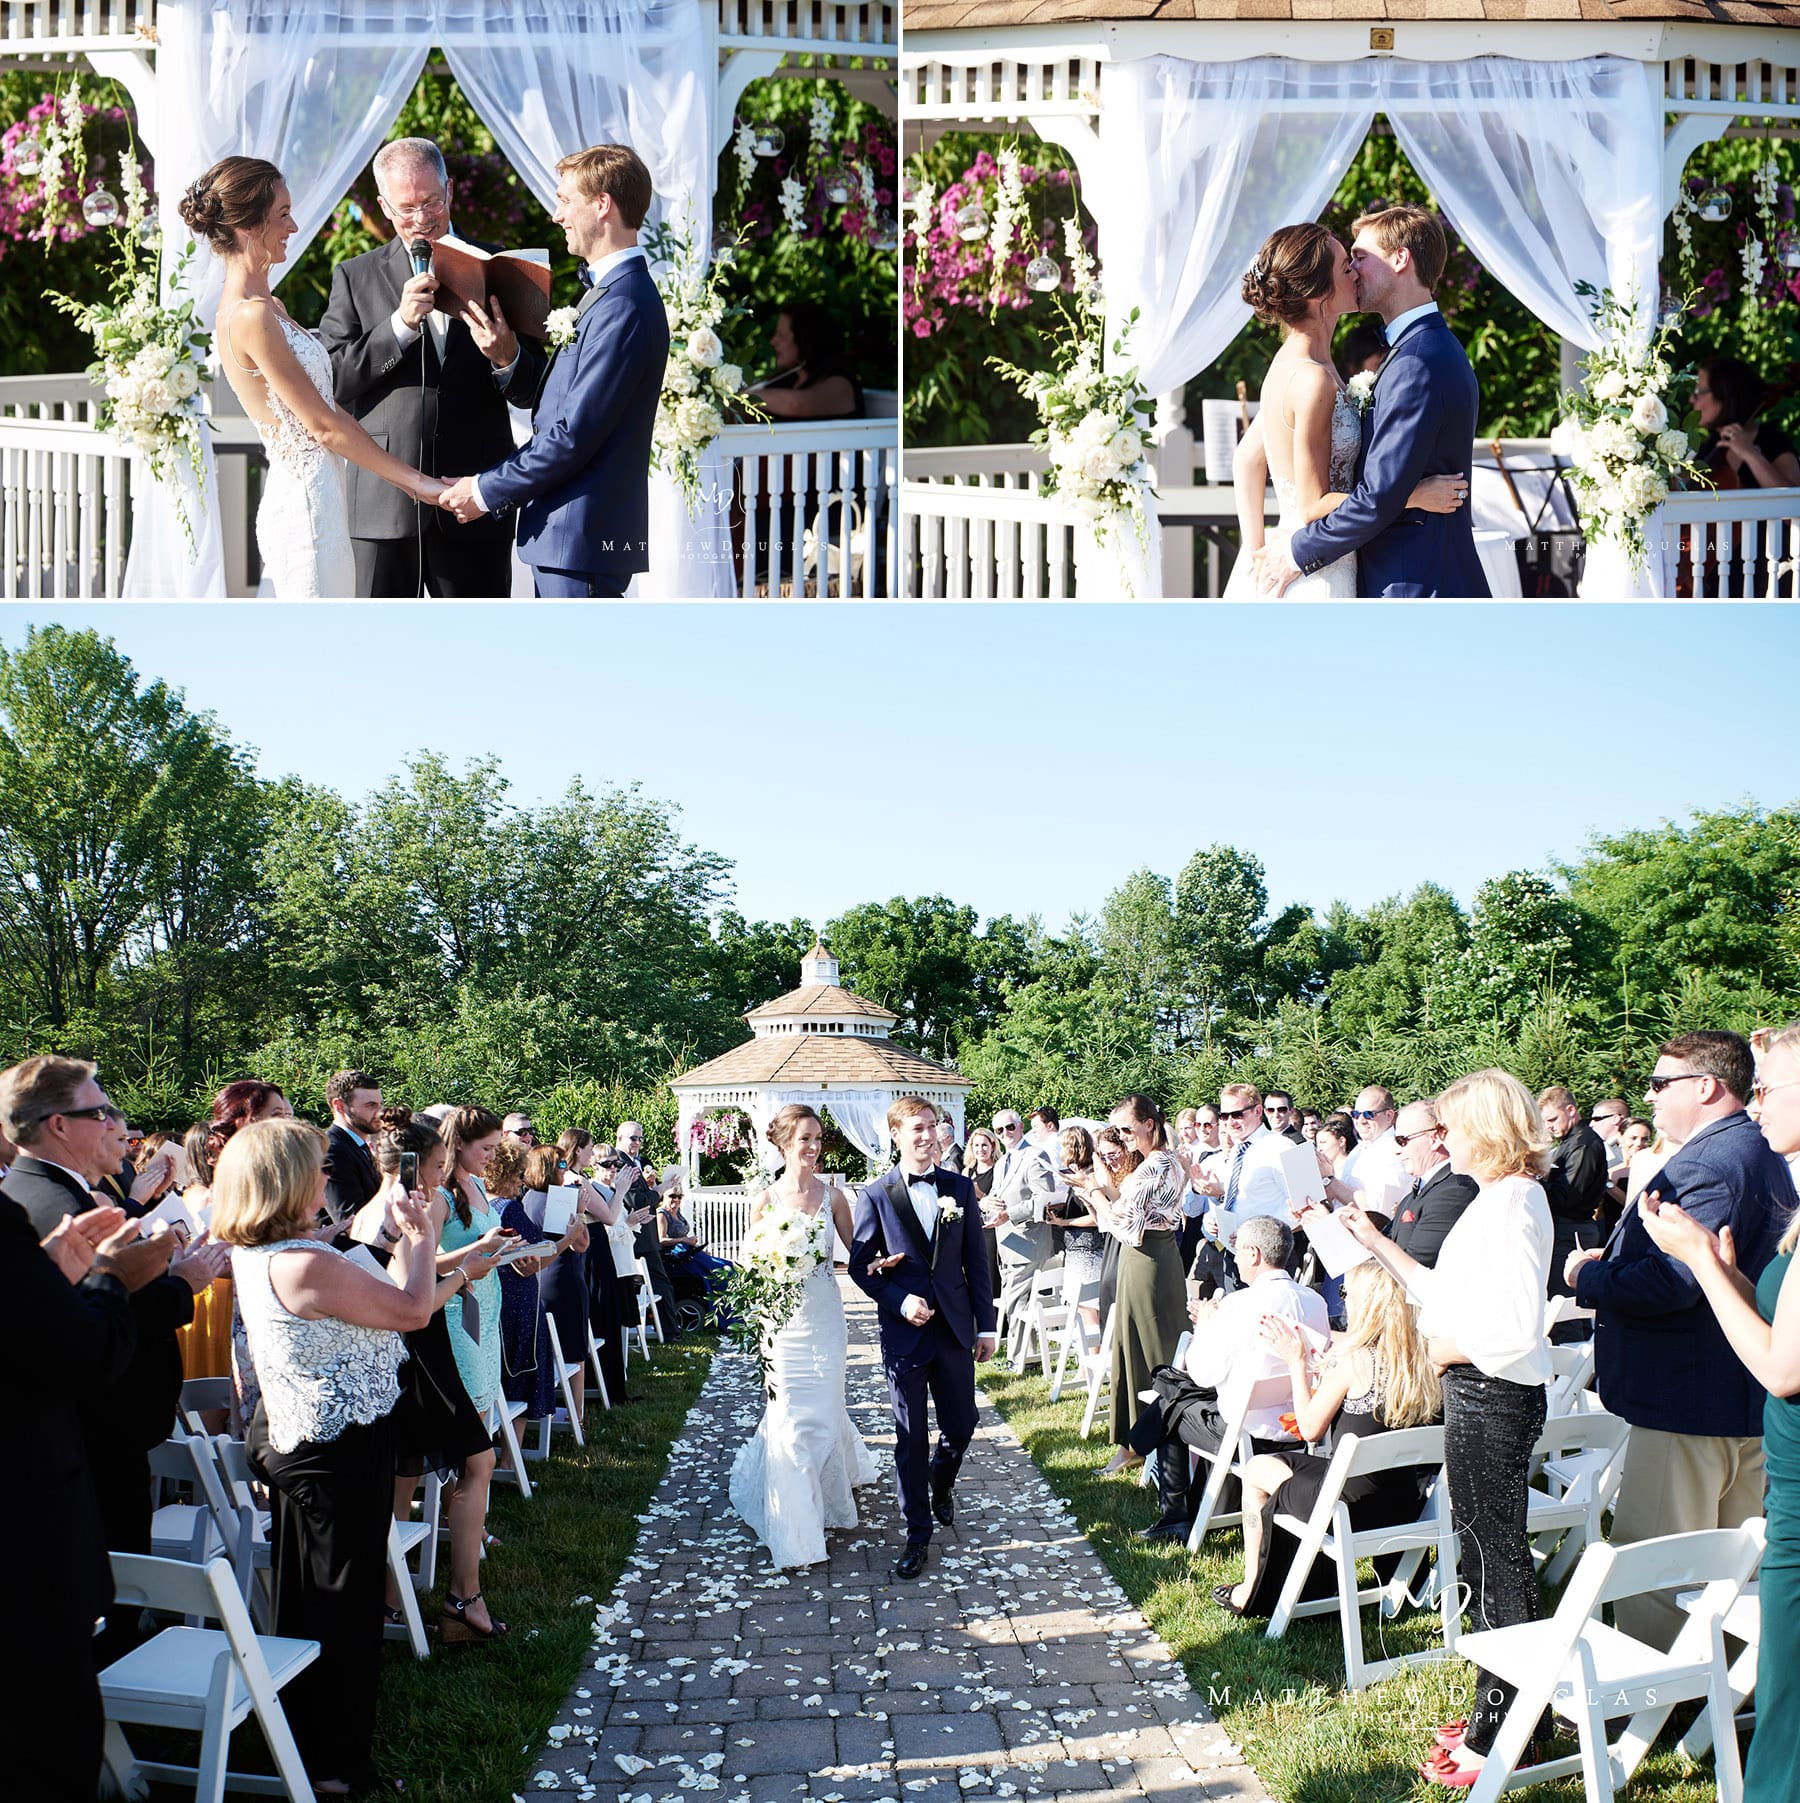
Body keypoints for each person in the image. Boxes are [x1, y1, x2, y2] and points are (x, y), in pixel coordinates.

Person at [1320, 1068, 1553, 1788]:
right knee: (1485, 1557)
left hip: (1491, 1395)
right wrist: (1375, 1241)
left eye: (1449, 1126)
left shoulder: (1515, 1202)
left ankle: (1505, 1731)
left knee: (1493, 1561)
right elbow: (1442, 1291)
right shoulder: (1497, 1198)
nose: (1441, 1140)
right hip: (1480, 1394)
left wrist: (1449, 1349)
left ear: (1486, 1127)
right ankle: (1512, 1716)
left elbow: (1517, 1327)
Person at [214, 1116, 437, 1797]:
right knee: (344, 1605)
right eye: (318, 1166)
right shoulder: (304, 1262)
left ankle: (307, 1741)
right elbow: (413, 1309)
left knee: (310, 1598)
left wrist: (384, 1236)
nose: (327, 1175)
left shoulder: (270, 1249)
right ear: (287, 1180)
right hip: (334, 1449)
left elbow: (353, 1280)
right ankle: (335, 1763)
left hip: (299, 1435)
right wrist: (422, 1237)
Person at [0, 1055, 226, 1665]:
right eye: (100, 1111)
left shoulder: (52, 1193)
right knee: (108, 1581)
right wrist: (183, 1284)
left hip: (100, 1423)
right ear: (58, 1125)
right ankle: (120, 1690)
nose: (116, 1125)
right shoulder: (55, 1205)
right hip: (99, 1425)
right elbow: (93, 1321)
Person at [1568, 1030, 1790, 1649]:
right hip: (1733, 1397)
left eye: (1661, 1083)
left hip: (1689, 1402)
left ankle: (1657, 1691)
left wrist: (1588, 1275)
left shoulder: (1709, 1162)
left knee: (1658, 1568)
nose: (1650, 1096)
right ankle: (1718, 1684)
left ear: (1706, 1086)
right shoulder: (1757, 1149)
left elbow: (1674, 1281)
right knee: (1728, 1568)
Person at [1637, 1019, 1800, 1803]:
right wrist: (1732, 1277)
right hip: (1777, 1462)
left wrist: (1698, 1260)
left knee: (1788, 1718)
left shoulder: (1714, 1158)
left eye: (1768, 1087)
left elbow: (1783, 1366)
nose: (1755, 1102)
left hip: (1787, 1484)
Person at [179, 158, 448, 596]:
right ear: (248, 225)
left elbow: (328, 405)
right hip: (306, 510)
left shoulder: (271, 307)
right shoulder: (249, 316)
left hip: (325, 497)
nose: (294, 226)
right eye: (283, 214)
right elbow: (323, 425)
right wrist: (418, 484)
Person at [319, 137, 549, 598]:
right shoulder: (355, 275)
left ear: (450, 189)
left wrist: (506, 356)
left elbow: (535, 391)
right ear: (384, 206)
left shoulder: (501, 266)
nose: (422, 218)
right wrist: (399, 326)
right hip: (384, 503)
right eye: (407, 209)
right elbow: (334, 380)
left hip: (475, 497)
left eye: (431, 202)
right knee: (377, 635)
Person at [442, 144, 669, 598]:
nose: (556, 215)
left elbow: (572, 436)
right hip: (566, 538)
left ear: (601, 204)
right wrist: (505, 355)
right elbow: (558, 406)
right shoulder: (610, 295)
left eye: (566, 200)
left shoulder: (623, 305)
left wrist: (483, 491)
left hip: (581, 537)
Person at [1225, 218, 1467, 599]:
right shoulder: (1312, 379)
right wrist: (1413, 495)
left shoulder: (1296, 364)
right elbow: (1312, 505)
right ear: (1319, 293)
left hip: (1319, 557)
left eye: (1356, 260)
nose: (1353, 271)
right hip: (1316, 573)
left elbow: (1246, 458)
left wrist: (1254, 549)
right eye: (1345, 265)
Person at [1, 1175, 143, 1803]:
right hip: (24, 1529)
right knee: (46, 1738)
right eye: (103, 1120)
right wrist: (110, 1278)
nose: (116, 1128)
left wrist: (49, 1269)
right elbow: (79, 1355)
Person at [356, 1116, 512, 1644]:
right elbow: (411, 1304)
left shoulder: (377, 1211)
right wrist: (465, 1274)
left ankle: (390, 1603)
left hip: (402, 1356)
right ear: (410, 1166)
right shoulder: (398, 1214)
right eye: (437, 1166)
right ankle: (462, 1598)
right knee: (478, 1461)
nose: (441, 1177)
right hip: (418, 1356)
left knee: (404, 1478)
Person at [1217, 1260, 1442, 1616]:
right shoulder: (1423, 1361)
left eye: (1345, 1292)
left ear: (1366, 1304)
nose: (1344, 1300)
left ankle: (1250, 1588)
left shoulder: (1355, 1362)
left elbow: (1309, 1429)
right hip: (1403, 1503)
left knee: (1256, 1469)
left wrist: (1296, 1361)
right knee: (1281, 1464)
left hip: (1347, 1507)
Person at [849, 1095, 996, 1579]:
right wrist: (899, 1300)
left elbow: (977, 1261)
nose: (928, 1135)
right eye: (917, 1128)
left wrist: (986, 1324)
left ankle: (942, 1477)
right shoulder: (875, 1195)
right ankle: (917, 1534)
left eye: (932, 1126)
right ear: (896, 1135)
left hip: (954, 1329)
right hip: (905, 1336)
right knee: (910, 1437)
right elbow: (861, 1267)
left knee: (963, 1424)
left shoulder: (959, 1187)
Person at [730, 1104, 880, 1567]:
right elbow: (750, 1268)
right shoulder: (764, 1201)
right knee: (790, 1417)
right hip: (782, 1326)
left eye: (817, 1138)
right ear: (783, 1144)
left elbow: (858, 1255)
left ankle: (827, 1494)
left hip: (825, 1319)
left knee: (827, 1408)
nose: (814, 1147)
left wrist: (883, 1266)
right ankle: (796, 1525)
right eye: (805, 1139)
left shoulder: (834, 1197)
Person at [1131, 1216, 1328, 1543]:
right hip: (1300, 1426)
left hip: (1245, 1433)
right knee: (1175, 1395)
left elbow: (1201, 1373)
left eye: (1238, 1250)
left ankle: (1175, 1516)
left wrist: (1206, 1325)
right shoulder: (1314, 1301)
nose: (1234, 1258)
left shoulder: (1240, 1304)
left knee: (1171, 1406)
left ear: (1254, 1254)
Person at [1099, 1094, 1190, 1473]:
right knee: (1157, 1345)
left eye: (1126, 1129)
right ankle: (1149, 1439)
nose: (1122, 1137)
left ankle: (1139, 1442)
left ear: (1149, 1124)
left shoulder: (1154, 1166)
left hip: (1144, 1259)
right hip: (1163, 1258)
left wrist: (1094, 1193)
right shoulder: (1173, 1160)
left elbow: (1125, 1228)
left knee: (1144, 1350)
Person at [489, 1138, 556, 1425]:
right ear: (503, 1174)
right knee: (523, 1375)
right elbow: (538, 1255)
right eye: (518, 1174)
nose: (522, 1181)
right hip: (519, 1298)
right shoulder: (509, 1208)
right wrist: (566, 1238)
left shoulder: (482, 1205)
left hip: (497, 1297)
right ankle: (512, 1448)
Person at [989, 1108, 1064, 1352]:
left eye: (1010, 1127)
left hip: (1028, 1241)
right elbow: (995, 1196)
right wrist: (986, 1203)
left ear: (1021, 1127)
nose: (1005, 1133)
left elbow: (1044, 1197)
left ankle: (1018, 1356)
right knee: (1016, 1297)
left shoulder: (1035, 1155)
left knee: (1016, 1298)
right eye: (999, 1130)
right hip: (1007, 1241)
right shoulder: (1002, 1162)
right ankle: (1027, 1353)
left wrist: (1009, 1214)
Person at [1385, 1098, 1478, 1268]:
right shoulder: (1417, 1192)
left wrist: (1372, 1238)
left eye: (1402, 1140)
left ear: (1434, 1139)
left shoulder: (1455, 1191)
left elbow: (1416, 1265)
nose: (1397, 1150)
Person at [1539, 1084, 1608, 1297]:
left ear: (1570, 1110)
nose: (1549, 1127)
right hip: (1567, 1228)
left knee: (1561, 1303)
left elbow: (1569, 1197)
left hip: (1572, 1230)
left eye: (1552, 1119)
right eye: (1545, 1122)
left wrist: (1537, 1182)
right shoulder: (1570, 1142)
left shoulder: (1583, 1144)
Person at [751, 301, 864, 420]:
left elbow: (795, 405)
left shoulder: (841, 384)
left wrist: (744, 397)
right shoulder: (785, 382)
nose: (773, 341)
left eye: (781, 335)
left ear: (804, 340)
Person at [1049, 1125, 1106, 1334]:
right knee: (1082, 1309)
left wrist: (1066, 1223)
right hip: (1078, 1251)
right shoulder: (1077, 1174)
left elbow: (1097, 1218)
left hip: (1088, 1251)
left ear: (1072, 1148)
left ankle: (1093, 1353)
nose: (1060, 1153)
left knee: (1087, 1309)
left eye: (1062, 1147)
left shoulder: (1090, 1176)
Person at [324, 1068, 384, 1223]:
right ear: (339, 1106)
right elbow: (348, 1220)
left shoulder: (357, 1146)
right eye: (371, 1105)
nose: (380, 1113)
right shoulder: (332, 1151)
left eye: (380, 1104)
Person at [964, 1125, 1002, 1298]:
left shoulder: (999, 1170)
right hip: (972, 1229)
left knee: (990, 1276)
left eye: (985, 1145)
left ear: (992, 1146)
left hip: (991, 1231)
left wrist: (980, 1195)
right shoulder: (967, 1171)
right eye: (977, 1145)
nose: (980, 1149)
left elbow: (997, 1203)